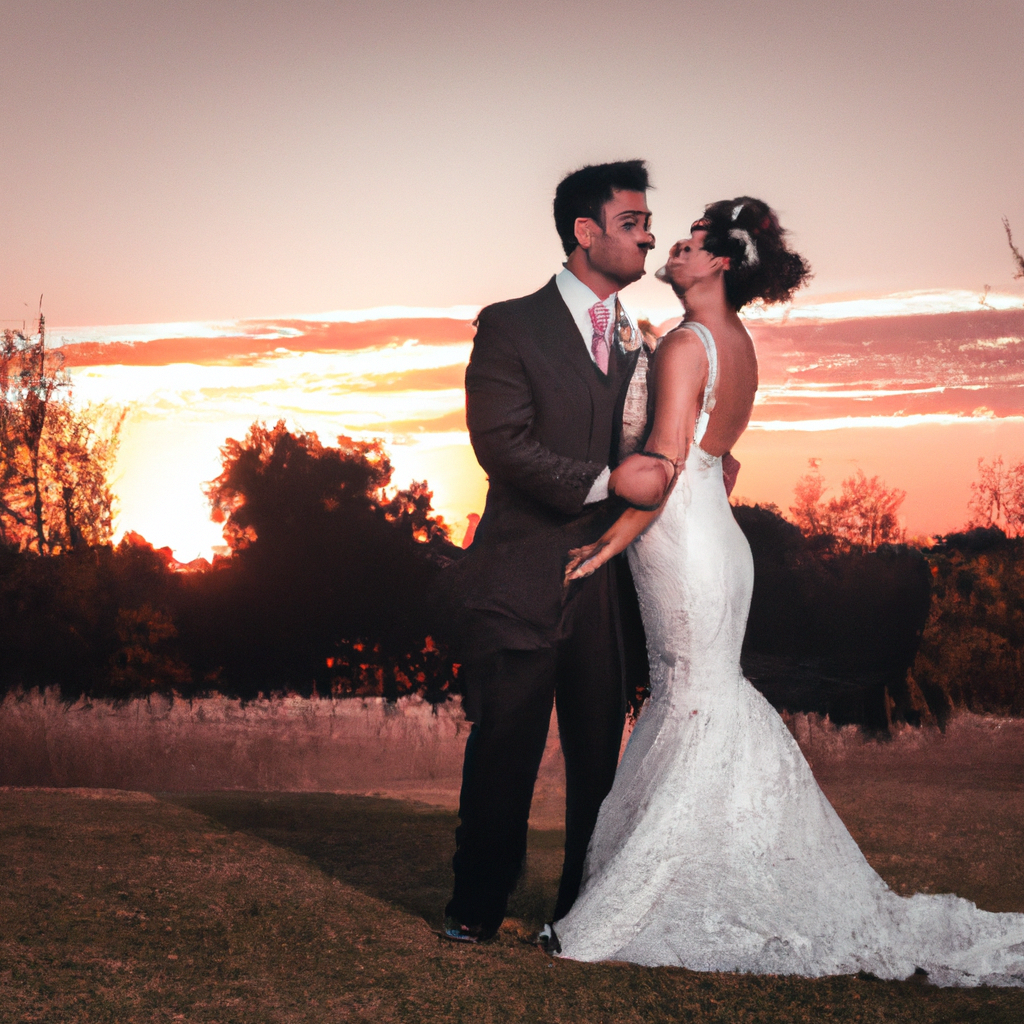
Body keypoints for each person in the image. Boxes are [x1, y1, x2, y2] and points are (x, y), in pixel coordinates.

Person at [553, 198, 1024, 986]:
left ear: (721, 265)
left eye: (689, 245)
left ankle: (652, 893)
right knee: (701, 695)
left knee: (692, 697)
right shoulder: (738, 345)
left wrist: (609, 541)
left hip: (680, 538)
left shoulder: (682, 349)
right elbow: (721, 463)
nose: (673, 251)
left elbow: (665, 470)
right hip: (718, 541)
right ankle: (709, 866)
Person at [442, 160, 657, 944]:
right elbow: (500, 444)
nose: (648, 237)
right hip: (521, 574)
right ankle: (476, 908)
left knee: (600, 758)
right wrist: (608, 480)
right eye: (632, 222)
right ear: (586, 231)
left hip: (608, 585)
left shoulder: (645, 340)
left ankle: (581, 912)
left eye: (647, 223)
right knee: (505, 746)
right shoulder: (509, 324)